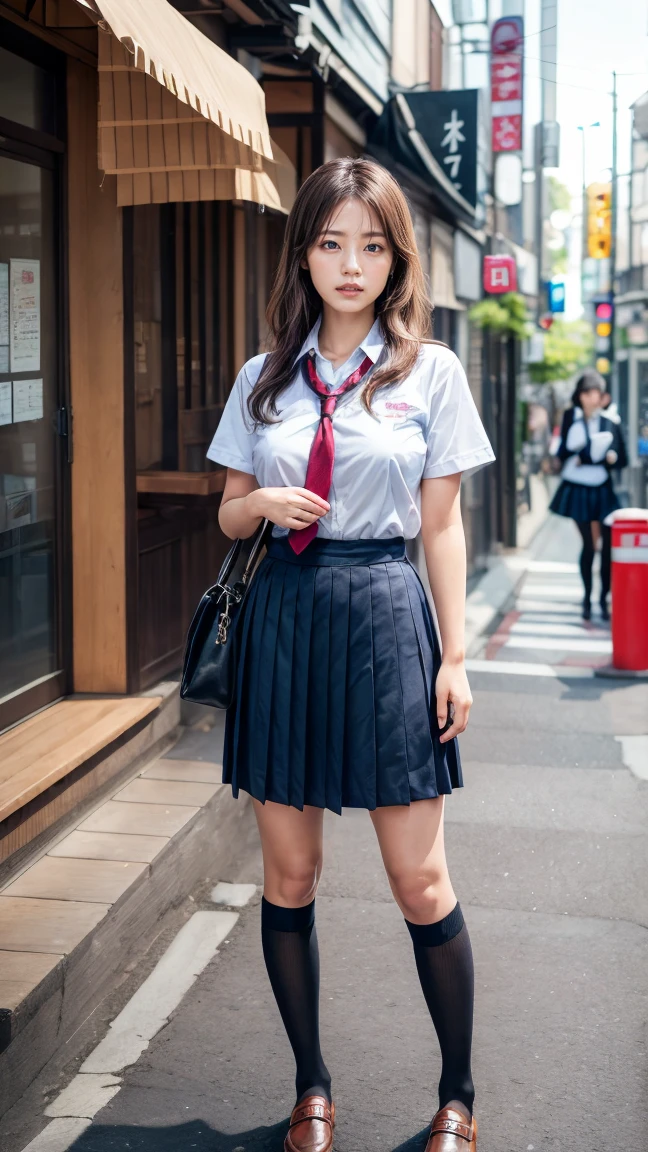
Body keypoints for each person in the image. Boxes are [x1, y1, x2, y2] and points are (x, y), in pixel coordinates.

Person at [206, 157, 495, 1152]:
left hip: (384, 611)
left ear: (394, 261)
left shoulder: (432, 373)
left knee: (420, 880)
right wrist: (260, 505)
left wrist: (454, 657)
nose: (350, 263)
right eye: (331, 242)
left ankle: (459, 1094)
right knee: (290, 878)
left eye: (371, 245)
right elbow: (227, 511)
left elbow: (443, 527)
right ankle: (311, 1089)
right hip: (285, 615)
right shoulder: (263, 378)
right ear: (304, 255)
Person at [550, 370, 628, 621]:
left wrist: (611, 457)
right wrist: (576, 450)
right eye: (588, 393)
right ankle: (586, 598)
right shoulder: (571, 417)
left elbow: (622, 458)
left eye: (597, 394)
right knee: (589, 545)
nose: (593, 398)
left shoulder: (611, 422)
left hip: (602, 486)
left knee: (606, 545)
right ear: (581, 396)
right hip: (577, 485)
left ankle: (603, 598)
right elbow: (561, 452)